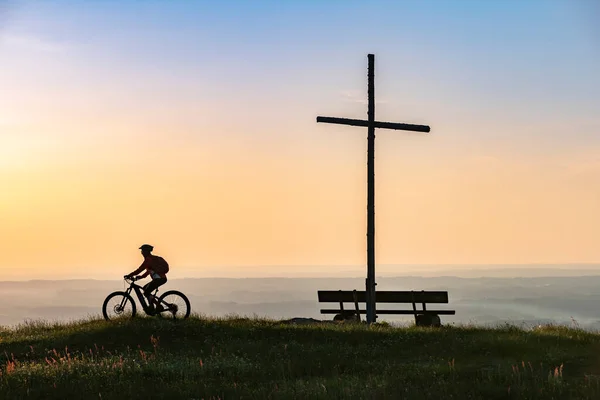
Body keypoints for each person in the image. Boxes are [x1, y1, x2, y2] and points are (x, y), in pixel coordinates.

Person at [125, 244, 169, 313]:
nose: (141, 252)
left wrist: (129, 275)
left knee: (146, 292)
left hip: (159, 279)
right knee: (145, 289)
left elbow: (139, 270)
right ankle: (152, 306)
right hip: (160, 279)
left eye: (142, 251)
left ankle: (156, 306)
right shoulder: (151, 260)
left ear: (146, 251)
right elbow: (147, 273)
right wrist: (139, 277)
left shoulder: (148, 260)